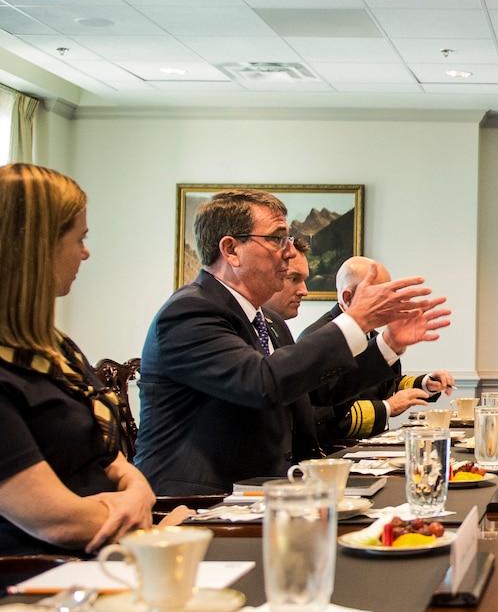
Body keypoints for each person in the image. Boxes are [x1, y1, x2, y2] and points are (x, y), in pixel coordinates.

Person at [134, 188, 450, 495]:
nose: (289, 251)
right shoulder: (190, 311)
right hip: (202, 502)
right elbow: (261, 383)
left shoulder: (268, 320)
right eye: (277, 238)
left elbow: (321, 392)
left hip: (266, 492)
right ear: (231, 250)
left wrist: (389, 343)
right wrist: (356, 320)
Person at [0, 164, 155, 555]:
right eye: (80, 238)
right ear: (37, 246)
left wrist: (137, 492)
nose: (85, 252)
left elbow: (108, 456)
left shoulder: (57, 349)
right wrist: (139, 516)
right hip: (29, 578)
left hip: (98, 559)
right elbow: (57, 520)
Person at [297, 255, 454, 447]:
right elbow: (324, 416)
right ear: (348, 298)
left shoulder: (371, 333)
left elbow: (388, 384)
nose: (389, 303)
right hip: (338, 452)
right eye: (380, 296)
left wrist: (425, 383)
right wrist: (387, 407)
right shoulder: (317, 338)